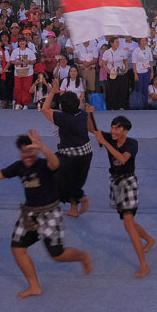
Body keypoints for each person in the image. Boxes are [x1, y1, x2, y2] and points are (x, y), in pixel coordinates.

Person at [0, 130, 92, 299]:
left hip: (50, 214)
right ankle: (34, 286)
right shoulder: (18, 167)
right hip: (30, 214)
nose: (27, 155)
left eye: (31, 151)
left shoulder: (43, 165)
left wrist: (42, 147)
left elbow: (55, 163)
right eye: (23, 151)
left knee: (58, 256)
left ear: (37, 151)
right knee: (18, 249)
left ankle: (82, 256)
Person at [91, 115, 154, 278]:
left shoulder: (132, 143)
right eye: (112, 127)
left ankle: (144, 265)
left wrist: (104, 143)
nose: (113, 130)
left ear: (125, 131)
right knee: (129, 221)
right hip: (115, 183)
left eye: (117, 128)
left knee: (127, 223)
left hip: (128, 183)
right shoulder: (109, 137)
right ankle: (149, 240)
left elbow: (122, 159)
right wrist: (88, 111)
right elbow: (92, 128)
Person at [42, 83, 92, 218]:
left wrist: (52, 91)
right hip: (86, 153)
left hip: (70, 156)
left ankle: (80, 198)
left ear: (62, 106)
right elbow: (83, 127)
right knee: (73, 180)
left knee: (58, 178)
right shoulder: (82, 114)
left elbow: (45, 109)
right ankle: (74, 208)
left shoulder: (61, 118)